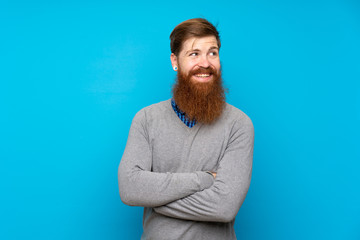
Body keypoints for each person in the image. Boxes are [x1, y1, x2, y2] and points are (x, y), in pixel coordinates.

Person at [118, 18, 254, 240]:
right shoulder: (145, 119)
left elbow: (224, 207)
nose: (206, 63)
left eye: (212, 53)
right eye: (194, 54)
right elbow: (130, 188)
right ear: (175, 61)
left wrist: (156, 199)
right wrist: (205, 179)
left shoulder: (239, 124)